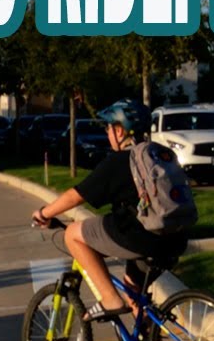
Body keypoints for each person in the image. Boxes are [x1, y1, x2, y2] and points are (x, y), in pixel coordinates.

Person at [30, 98, 189, 322]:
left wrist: (44, 213)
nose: (107, 133)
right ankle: (148, 339)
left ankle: (110, 299)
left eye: (108, 128)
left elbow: (77, 195)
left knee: (72, 234)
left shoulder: (120, 161)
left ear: (119, 130)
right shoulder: (158, 155)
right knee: (132, 290)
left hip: (142, 238)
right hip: (175, 239)